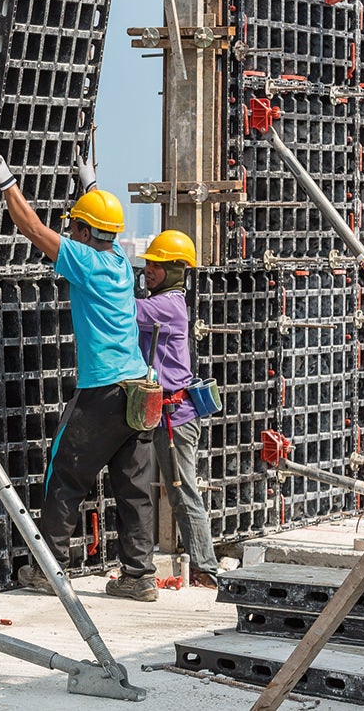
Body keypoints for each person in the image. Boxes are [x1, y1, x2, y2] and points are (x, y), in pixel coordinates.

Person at [0, 150, 159, 602]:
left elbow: (34, 230)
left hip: (102, 393)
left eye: (74, 226)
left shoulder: (86, 262)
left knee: (65, 477)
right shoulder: (118, 259)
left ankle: (49, 568)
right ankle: (139, 577)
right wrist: (91, 186)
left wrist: (7, 181)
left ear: (80, 232)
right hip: (140, 391)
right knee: (134, 488)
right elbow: (100, 225)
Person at [135, 230, 220, 588]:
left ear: (176, 270)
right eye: (148, 263)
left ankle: (206, 566)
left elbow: (124, 310)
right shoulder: (162, 301)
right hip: (154, 412)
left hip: (174, 418)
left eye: (157, 264)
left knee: (184, 491)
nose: (149, 269)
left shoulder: (167, 305)